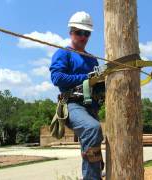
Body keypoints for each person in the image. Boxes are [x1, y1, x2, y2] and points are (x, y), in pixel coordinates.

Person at [49, 11, 104, 180]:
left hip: (91, 106)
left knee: (94, 139)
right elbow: (57, 78)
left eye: (86, 33)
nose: (83, 36)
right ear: (71, 32)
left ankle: (96, 170)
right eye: (79, 32)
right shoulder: (63, 54)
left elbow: (96, 84)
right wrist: (86, 77)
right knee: (92, 128)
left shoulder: (92, 59)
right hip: (73, 105)